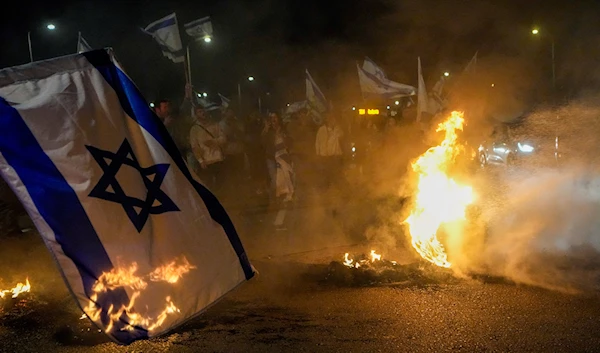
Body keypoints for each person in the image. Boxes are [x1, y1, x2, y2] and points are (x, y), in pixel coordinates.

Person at [189, 106, 226, 191]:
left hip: (218, 158)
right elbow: (195, 146)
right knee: (208, 184)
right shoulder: (194, 129)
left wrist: (214, 141)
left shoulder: (215, 125)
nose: (203, 113)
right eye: (199, 112)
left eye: (203, 111)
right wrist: (201, 160)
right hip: (206, 160)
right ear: (196, 114)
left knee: (221, 182)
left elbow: (223, 138)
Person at [261, 113, 294, 204]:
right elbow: (263, 143)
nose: (274, 120)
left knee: (284, 176)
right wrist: (266, 129)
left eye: (275, 117)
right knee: (274, 178)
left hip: (283, 156)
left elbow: (290, 141)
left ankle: (283, 194)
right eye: (271, 118)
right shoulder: (268, 131)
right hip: (271, 157)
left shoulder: (283, 130)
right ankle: (272, 199)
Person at [315, 114, 344, 189]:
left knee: (336, 173)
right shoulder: (321, 129)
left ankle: (338, 188)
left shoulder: (337, 130)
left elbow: (340, 135)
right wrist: (317, 153)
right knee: (325, 173)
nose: (332, 121)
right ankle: (325, 188)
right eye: (330, 120)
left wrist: (335, 129)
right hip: (324, 156)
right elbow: (317, 142)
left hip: (335, 155)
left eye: (333, 120)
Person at [220, 109, 246, 186]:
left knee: (240, 170)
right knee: (231, 172)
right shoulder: (221, 124)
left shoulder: (238, 123)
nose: (231, 114)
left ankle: (241, 186)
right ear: (225, 113)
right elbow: (222, 138)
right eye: (229, 112)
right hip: (229, 152)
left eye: (232, 112)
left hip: (239, 151)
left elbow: (242, 134)